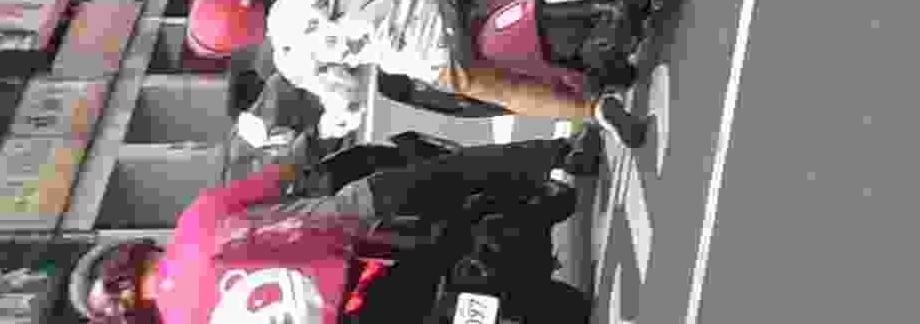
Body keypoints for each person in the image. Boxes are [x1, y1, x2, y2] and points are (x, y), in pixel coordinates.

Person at [64, 128, 597, 324]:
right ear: (135, 251)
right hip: (362, 232)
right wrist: (304, 150)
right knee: (447, 174)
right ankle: (559, 154)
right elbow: (287, 172)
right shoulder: (195, 222)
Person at [239, 0, 631, 132]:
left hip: (433, 50)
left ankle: (593, 109)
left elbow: (346, 99)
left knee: (501, 90)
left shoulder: (290, 54)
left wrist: (334, 122)